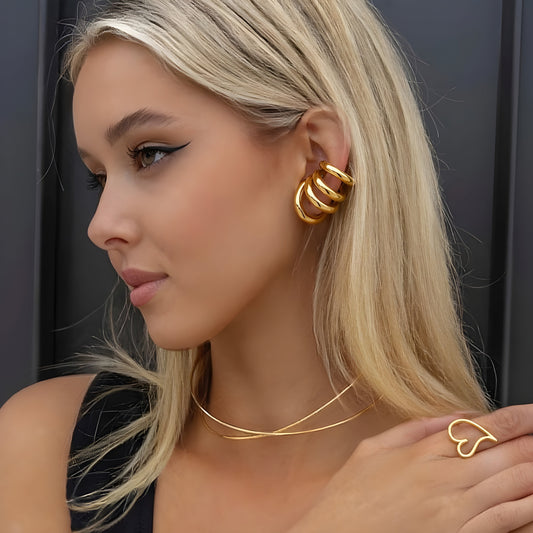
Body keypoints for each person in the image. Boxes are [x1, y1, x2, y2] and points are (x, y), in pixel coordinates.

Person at [1, 1, 533, 532]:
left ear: (316, 155)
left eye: (151, 153)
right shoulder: (45, 450)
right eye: (99, 177)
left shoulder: (487, 500)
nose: (101, 225)